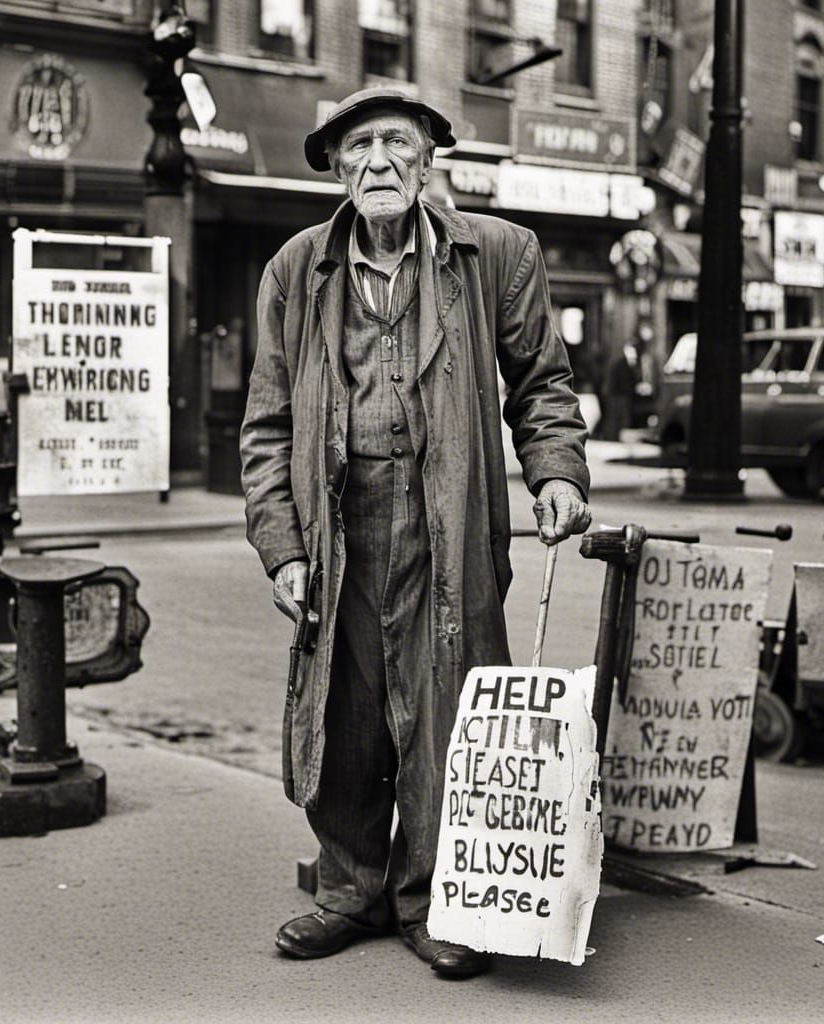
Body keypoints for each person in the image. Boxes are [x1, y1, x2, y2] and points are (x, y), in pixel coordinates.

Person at [240, 86, 592, 978]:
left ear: (432, 157)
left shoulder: (498, 254)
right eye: (358, 147)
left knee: (448, 709)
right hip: (339, 522)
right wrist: (282, 545)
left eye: (398, 142)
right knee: (347, 708)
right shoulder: (295, 269)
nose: (379, 161)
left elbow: (541, 384)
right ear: (336, 167)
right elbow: (267, 425)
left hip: (453, 515)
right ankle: (350, 890)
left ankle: (437, 899)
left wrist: (555, 472)